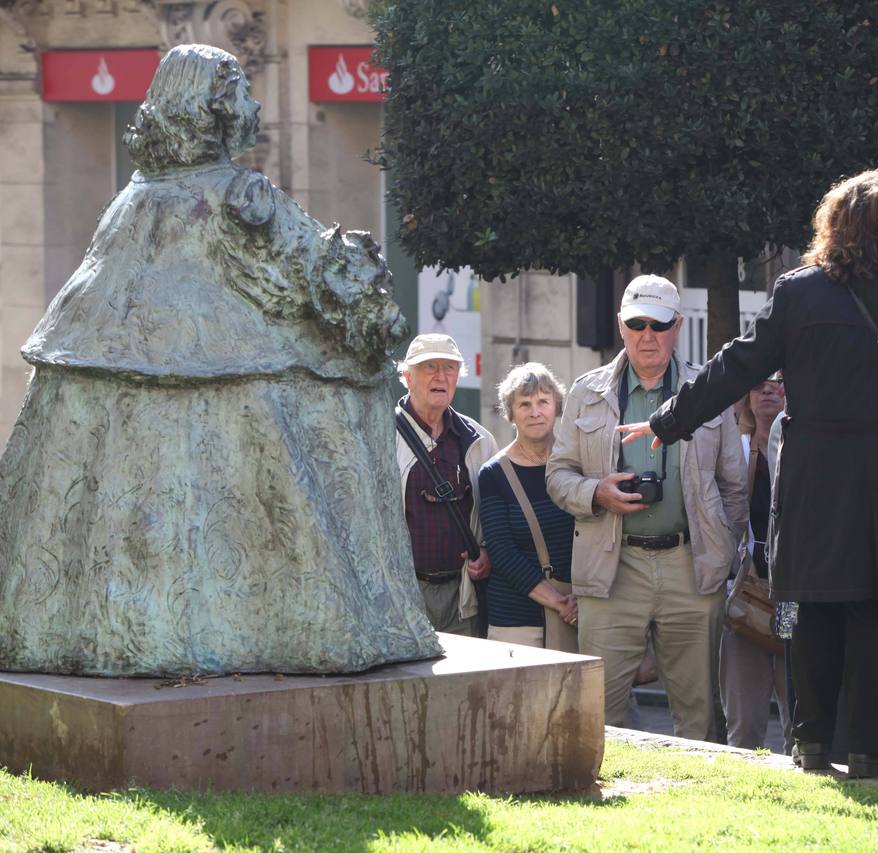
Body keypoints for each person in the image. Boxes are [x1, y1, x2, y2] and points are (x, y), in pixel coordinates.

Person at [0, 44, 442, 675]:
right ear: (209, 106)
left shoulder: (134, 199)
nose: (253, 103)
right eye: (239, 89)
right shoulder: (239, 196)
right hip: (230, 378)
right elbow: (313, 274)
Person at [622, 169, 878, 778]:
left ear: (832, 223)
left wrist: (665, 423)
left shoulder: (800, 292)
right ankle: (871, 747)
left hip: (820, 469)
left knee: (816, 603)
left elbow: (735, 367)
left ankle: (812, 741)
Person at [547, 275, 747, 740]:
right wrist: (597, 492)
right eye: (637, 324)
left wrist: (720, 550)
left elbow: (734, 488)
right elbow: (557, 477)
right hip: (614, 565)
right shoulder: (587, 391)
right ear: (620, 325)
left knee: (698, 717)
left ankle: (695, 809)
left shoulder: (707, 390)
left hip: (691, 567)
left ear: (677, 326)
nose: (647, 335)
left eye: (658, 324)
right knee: (598, 713)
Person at [396, 333, 497, 636]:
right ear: (407, 377)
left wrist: (487, 550)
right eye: (429, 367)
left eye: (449, 368)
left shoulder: (479, 440)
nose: (441, 376)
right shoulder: (381, 435)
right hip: (402, 596)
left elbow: (497, 511)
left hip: (461, 596)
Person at [477, 362, 578, 649]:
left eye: (543, 401)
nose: (535, 412)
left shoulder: (577, 463)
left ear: (557, 406)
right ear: (510, 412)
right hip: (517, 620)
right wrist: (559, 602)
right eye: (524, 404)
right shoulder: (494, 474)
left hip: (580, 614)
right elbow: (503, 552)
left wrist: (582, 600)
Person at [721, 375, 791, 752]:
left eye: (778, 382)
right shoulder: (735, 451)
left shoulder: (806, 448)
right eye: (757, 383)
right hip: (746, 595)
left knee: (801, 723)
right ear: (745, 397)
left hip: (794, 602)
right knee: (743, 730)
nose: (768, 390)